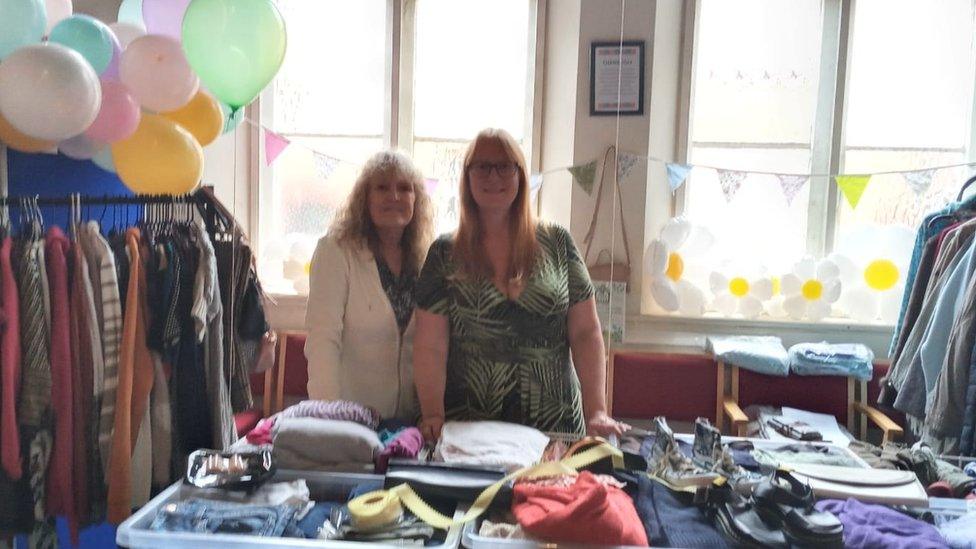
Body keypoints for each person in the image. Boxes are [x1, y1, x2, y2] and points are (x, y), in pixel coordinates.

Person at [413, 128, 629, 442]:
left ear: (521, 175)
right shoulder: (444, 253)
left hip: (555, 429)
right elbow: (430, 345)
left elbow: (586, 333)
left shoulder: (558, 243)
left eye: (505, 166)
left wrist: (596, 410)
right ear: (467, 176)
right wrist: (432, 414)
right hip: (469, 432)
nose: (493, 176)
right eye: (483, 166)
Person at [305, 150, 434, 421]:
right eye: (382, 187)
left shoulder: (426, 259)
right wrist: (328, 417)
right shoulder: (336, 251)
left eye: (404, 188)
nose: (394, 196)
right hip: (351, 421)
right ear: (365, 198)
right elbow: (322, 340)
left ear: (417, 199)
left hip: (411, 423)